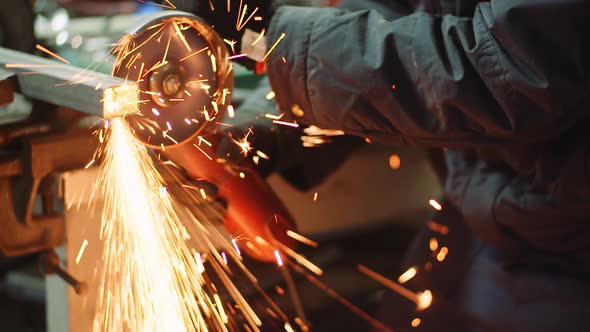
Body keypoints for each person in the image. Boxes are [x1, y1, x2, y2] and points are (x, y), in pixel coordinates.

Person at [194, 1, 590, 331]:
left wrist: (271, 37)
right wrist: (256, 140)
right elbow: (392, 14)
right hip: (478, 208)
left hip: (567, 245)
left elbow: (514, 72)